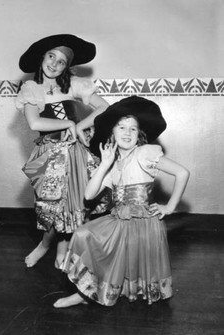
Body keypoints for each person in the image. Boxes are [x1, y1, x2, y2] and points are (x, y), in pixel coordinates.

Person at [54, 96, 190, 308]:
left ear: (139, 134)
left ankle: (92, 294)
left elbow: (182, 172)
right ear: (112, 133)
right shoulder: (113, 164)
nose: (127, 132)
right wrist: (104, 164)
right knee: (84, 234)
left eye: (133, 129)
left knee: (119, 254)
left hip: (144, 223)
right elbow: (89, 195)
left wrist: (170, 207)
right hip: (120, 220)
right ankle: (85, 292)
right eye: (121, 127)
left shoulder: (144, 153)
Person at [15, 34, 109, 268]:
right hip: (51, 154)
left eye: (62, 62)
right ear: (42, 57)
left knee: (76, 205)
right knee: (53, 205)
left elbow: (104, 107)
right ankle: (44, 245)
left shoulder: (74, 85)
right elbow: (35, 124)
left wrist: (80, 125)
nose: (55, 64)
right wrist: (68, 124)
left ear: (67, 67)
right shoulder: (31, 88)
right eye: (51, 56)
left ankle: (62, 250)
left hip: (77, 152)